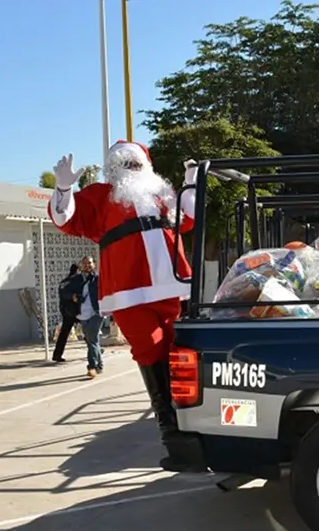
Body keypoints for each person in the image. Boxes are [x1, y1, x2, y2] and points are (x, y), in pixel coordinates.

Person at [47, 140, 205, 472]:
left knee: (183, 350)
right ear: (111, 169)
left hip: (173, 285)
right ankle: (176, 438)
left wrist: (191, 178)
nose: (129, 169)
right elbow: (66, 219)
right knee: (151, 351)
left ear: (146, 164)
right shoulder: (99, 196)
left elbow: (189, 218)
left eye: (133, 163)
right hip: (128, 292)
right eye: (122, 164)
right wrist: (63, 188)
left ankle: (197, 426)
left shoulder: (161, 192)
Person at [77, 255, 104, 378]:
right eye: (85, 263)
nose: (87, 265)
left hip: (96, 313)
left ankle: (92, 366)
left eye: (89, 263)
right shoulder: (78, 279)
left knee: (92, 339)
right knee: (91, 341)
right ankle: (100, 365)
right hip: (83, 314)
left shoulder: (99, 278)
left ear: (94, 264)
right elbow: (65, 290)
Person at [52, 263, 84, 363]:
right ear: (78, 270)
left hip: (67, 311)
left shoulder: (64, 282)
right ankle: (95, 349)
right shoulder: (78, 280)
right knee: (88, 330)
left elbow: (63, 294)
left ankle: (57, 354)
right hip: (77, 310)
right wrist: (74, 296)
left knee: (64, 334)